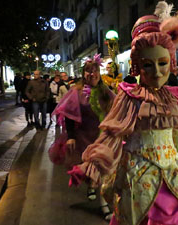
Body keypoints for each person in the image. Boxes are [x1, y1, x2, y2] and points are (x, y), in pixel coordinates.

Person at [69, 4, 178, 224]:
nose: (156, 72)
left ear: (171, 62)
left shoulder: (170, 97)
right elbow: (113, 134)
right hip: (137, 175)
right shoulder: (129, 96)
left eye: (162, 63)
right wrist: (92, 166)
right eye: (148, 65)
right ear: (137, 66)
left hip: (171, 174)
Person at [50, 54, 115, 221]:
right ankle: (92, 187)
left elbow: (115, 110)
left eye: (95, 71)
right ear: (83, 74)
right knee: (89, 169)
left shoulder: (105, 91)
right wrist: (71, 136)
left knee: (102, 170)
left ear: (99, 73)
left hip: (102, 137)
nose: (92, 74)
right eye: (88, 71)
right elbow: (69, 116)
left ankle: (104, 204)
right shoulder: (76, 92)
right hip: (84, 137)